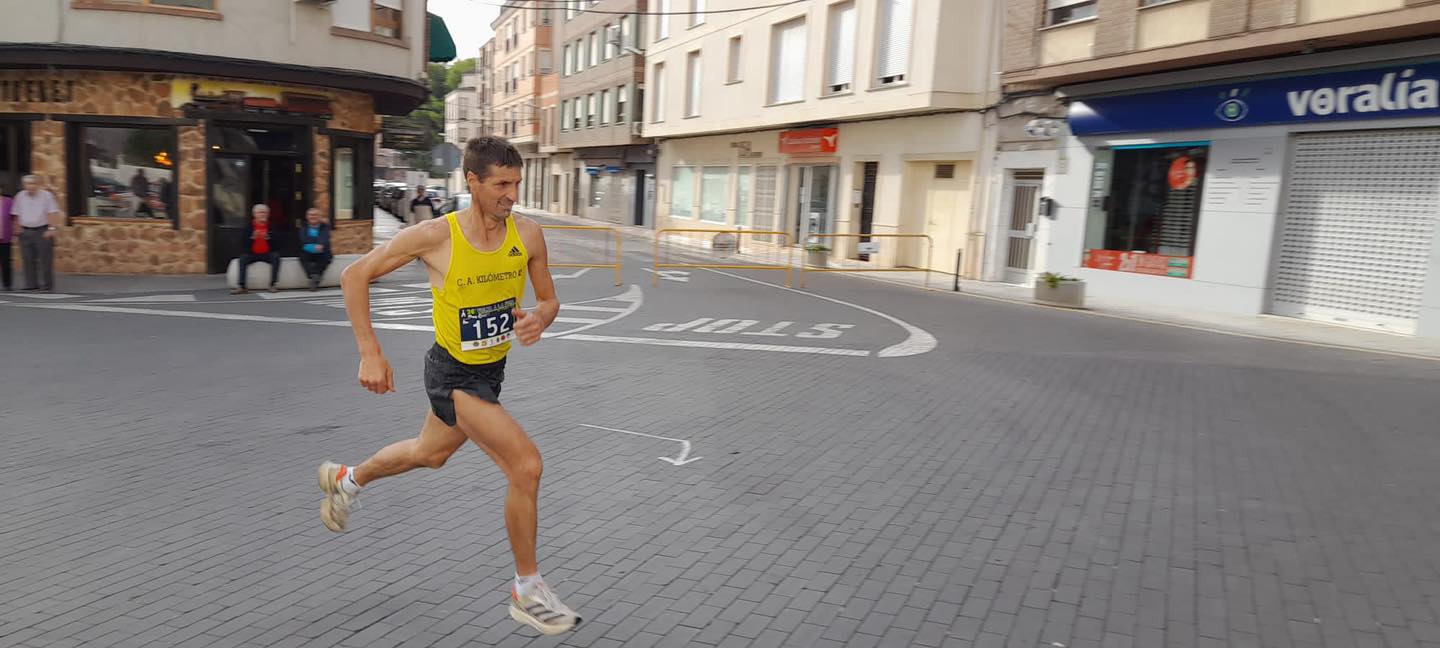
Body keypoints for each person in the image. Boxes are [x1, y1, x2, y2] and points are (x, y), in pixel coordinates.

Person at [317, 137, 577, 635]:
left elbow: (550, 300)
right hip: (451, 374)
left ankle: (346, 480)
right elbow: (355, 275)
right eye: (501, 184)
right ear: (471, 181)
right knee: (526, 465)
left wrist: (540, 317)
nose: (511, 195)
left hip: (489, 374)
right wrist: (370, 351)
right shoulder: (435, 236)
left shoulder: (529, 234)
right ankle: (527, 589)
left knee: (427, 454)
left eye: (517, 183)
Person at [12, 175, 61, 292]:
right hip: (25, 231)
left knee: (45, 260)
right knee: (27, 259)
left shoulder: (46, 196)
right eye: (28, 184)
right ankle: (31, 284)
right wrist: (17, 229)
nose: (31, 186)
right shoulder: (20, 196)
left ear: (38, 184)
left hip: (42, 231)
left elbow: (53, 213)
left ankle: (47, 285)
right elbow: (16, 214)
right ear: (24, 185)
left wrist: (52, 229)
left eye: (33, 183)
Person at [232, 204, 279, 294]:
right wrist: (252, 238)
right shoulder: (249, 227)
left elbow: (278, 245)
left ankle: (273, 284)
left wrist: (268, 238)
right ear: (255, 214)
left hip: (267, 254)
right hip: (252, 253)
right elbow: (243, 245)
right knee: (243, 258)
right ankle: (242, 286)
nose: (263, 214)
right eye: (260, 212)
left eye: (265, 212)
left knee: (276, 256)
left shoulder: (272, 227)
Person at [298, 207, 332, 291]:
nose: (313, 217)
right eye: (311, 215)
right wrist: (314, 245)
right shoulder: (304, 226)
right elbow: (303, 239)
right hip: (308, 251)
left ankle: (315, 277)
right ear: (307, 216)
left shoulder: (325, 226)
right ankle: (313, 277)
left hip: (322, 251)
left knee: (326, 257)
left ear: (319, 216)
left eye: (315, 215)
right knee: (302, 256)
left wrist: (319, 244)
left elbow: (324, 238)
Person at [1, 192, 13, 291]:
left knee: (6, 261)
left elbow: (14, 216)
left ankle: (7, 284)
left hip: (5, 237)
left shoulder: (8, 201)